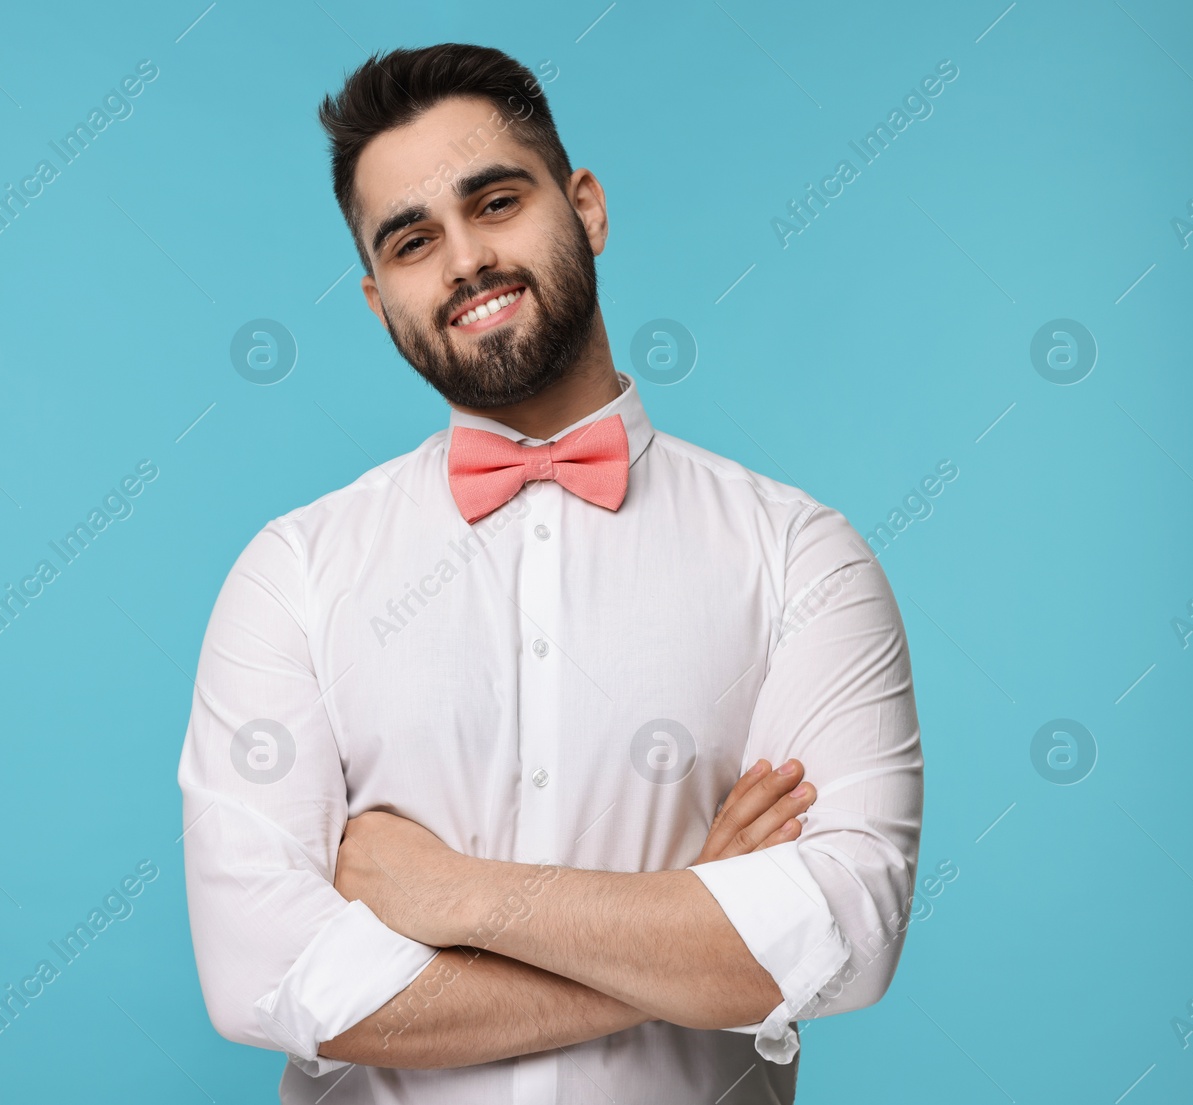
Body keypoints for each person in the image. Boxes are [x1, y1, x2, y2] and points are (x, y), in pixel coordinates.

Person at [177, 42, 924, 1105]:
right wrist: (684, 916)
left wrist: (451, 895)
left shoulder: (801, 556)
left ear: (587, 208)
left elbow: (842, 936)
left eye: (494, 201)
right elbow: (268, 975)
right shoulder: (291, 575)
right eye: (411, 240)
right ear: (376, 295)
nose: (465, 261)